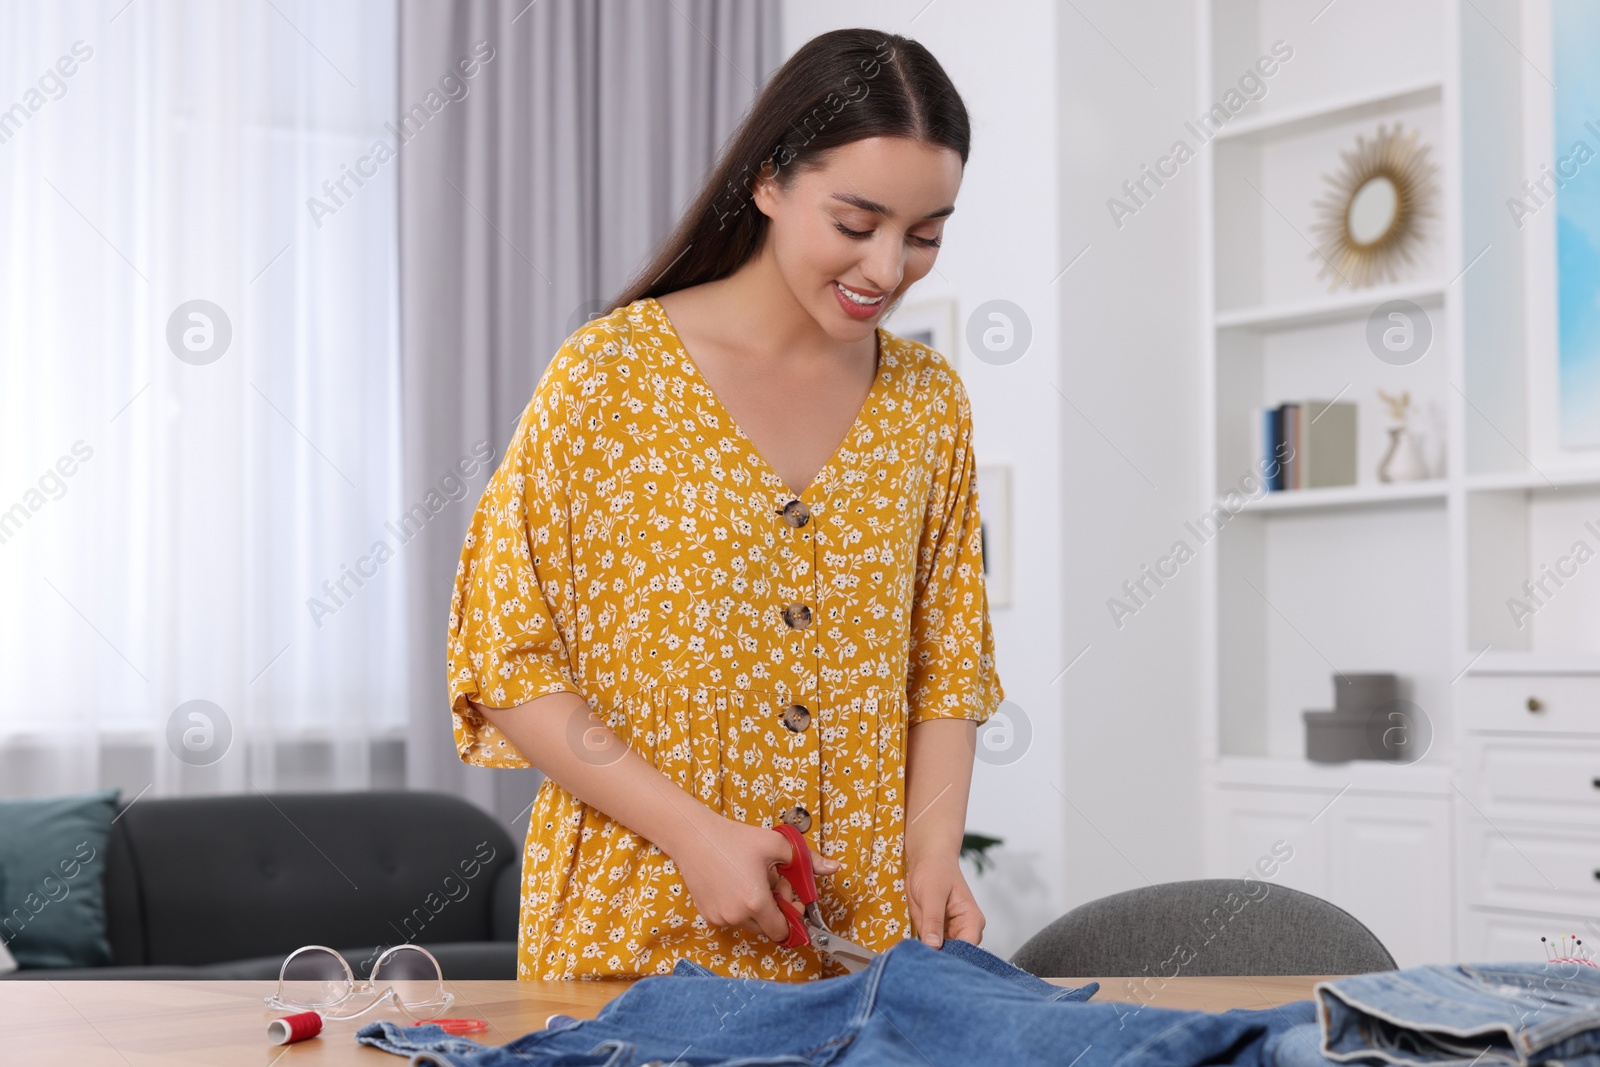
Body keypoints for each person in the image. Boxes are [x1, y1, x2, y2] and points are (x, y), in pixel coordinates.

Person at [446, 26, 1003, 981]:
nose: (885, 270)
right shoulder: (608, 378)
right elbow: (506, 656)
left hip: (859, 951)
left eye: (924, 237)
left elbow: (944, 665)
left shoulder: (928, 404)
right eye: (855, 222)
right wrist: (695, 835)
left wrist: (932, 852)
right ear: (770, 182)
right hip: (632, 932)